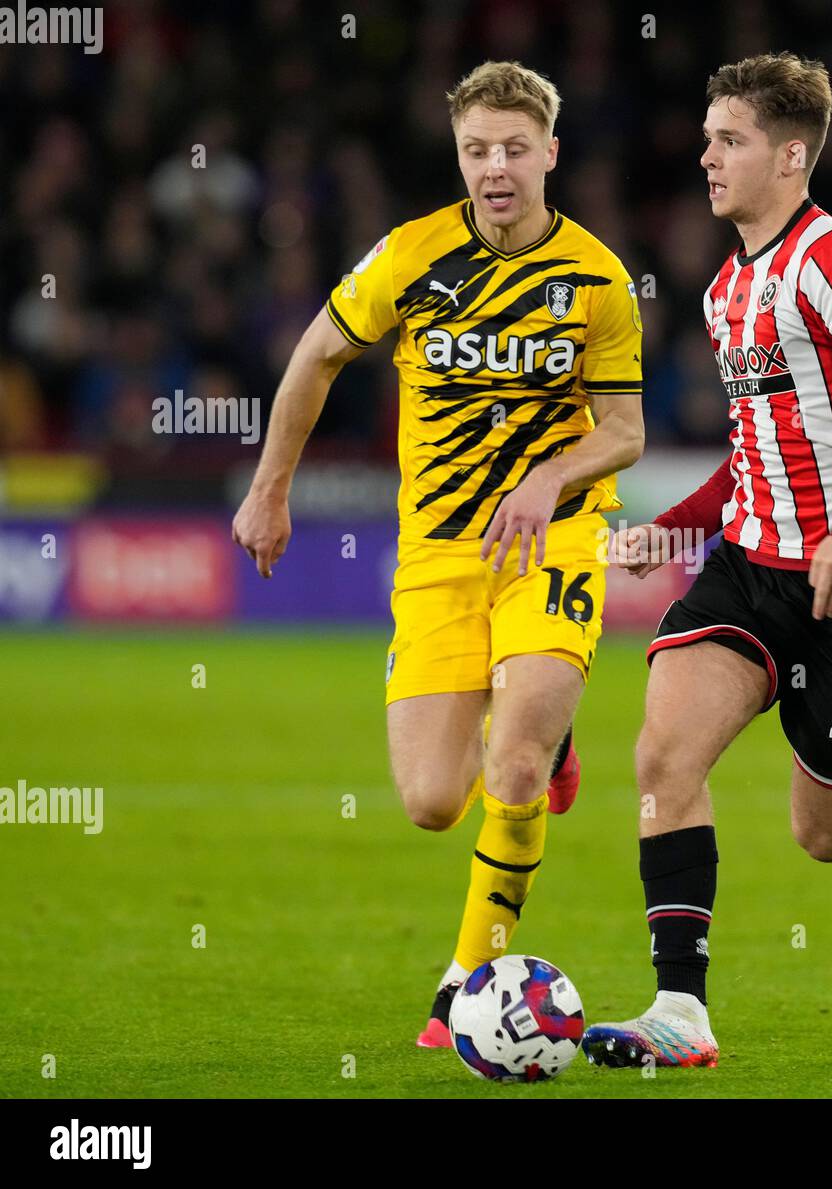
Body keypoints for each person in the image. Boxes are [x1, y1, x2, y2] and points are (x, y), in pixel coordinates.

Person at [583, 53, 832, 1069]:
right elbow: (756, 453)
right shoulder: (728, 290)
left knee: (830, 833)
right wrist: (671, 532)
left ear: (790, 154)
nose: (706, 156)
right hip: (750, 573)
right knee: (663, 757)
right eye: (708, 136)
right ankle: (680, 1010)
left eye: (729, 139)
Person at [232, 60, 644, 1049]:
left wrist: (549, 479)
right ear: (458, 156)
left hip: (554, 541)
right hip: (438, 556)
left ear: (549, 152)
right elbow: (316, 355)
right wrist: (270, 486)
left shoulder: (596, 277)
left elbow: (624, 427)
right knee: (429, 801)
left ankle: (464, 980)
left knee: (512, 762)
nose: (494, 167)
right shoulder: (412, 257)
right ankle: (540, 734)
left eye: (513, 148)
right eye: (475, 150)